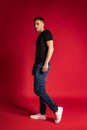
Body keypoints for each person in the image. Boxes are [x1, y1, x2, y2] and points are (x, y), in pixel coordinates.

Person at [30, 16, 63, 124]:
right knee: (41, 90)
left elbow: (51, 48)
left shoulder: (46, 33)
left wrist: (45, 64)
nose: (35, 26)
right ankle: (42, 113)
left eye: (37, 23)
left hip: (42, 65)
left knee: (38, 90)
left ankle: (56, 109)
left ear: (43, 24)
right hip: (38, 66)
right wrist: (34, 67)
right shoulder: (39, 37)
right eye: (34, 24)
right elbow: (39, 53)